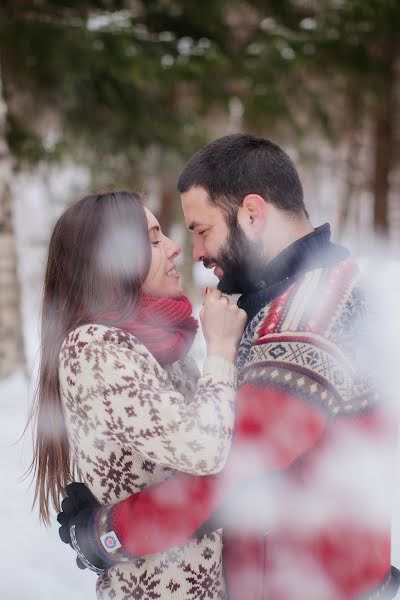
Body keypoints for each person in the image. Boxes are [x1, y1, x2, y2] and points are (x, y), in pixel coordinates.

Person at [58, 136, 399, 599]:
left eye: (201, 229)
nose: (193, 250)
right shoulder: (300, 296)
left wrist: (104, 535)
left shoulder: (305, 318)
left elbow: (229, 474)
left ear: (252, 215)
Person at [30, 190, 247, 599]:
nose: (173, 247)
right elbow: (203, 448)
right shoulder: (93, 348)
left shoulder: (158, 344)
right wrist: (221, 350)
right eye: (151, 240)